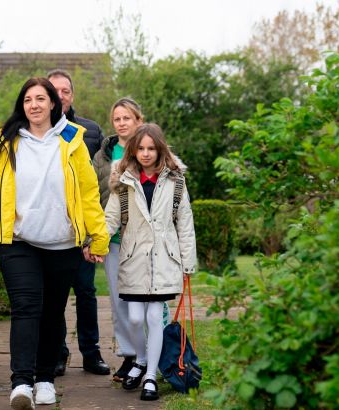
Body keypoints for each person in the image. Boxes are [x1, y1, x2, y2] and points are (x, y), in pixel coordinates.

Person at [0, 77, 109, 410]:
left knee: (52, 313)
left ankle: (45, 379)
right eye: (28, 99)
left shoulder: (73, 139)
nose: (34, 104)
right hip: (19, 243)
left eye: (41, 98)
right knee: (26, 309)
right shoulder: (8, 141)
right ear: (22, 105)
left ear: (53, 104)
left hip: (63, 245)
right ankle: (21, 383)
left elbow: (88, 194)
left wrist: (97, 237)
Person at [104, 123, 197, 401]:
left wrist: (188, 263)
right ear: (133, 150)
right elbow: (110, 217)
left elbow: (185, 222)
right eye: (141, 148)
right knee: (133, 318)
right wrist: (95, 242)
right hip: (133, 258)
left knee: (155, 317)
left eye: (151, 148)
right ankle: (142, 358)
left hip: (164, 259)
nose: (146, 154)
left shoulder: (175, 180)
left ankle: (150, 376)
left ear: (160, 149)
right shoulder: (123, 179)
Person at [46, 69, 109, 376]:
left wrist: (94, 232)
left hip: (81, 230)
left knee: (85, 292)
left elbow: (95, 182)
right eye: (54, 90)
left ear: (72, 95)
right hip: (49, 229)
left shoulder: (91, 130)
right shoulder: (34, 130)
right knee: (55, 297)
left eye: (66, 91)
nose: (61, 95)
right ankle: (58, 353)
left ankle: (91, 353)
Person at [92, 97, 145, 382]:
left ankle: (149, 354)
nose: (122, 123)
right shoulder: (103, 155)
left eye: (127, 118)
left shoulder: (148, 149)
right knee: (118, 299)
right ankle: (129, 355)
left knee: (145, 300)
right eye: (117, 118)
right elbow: (92, 194)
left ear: (138, 120)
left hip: (142, 239)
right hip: (111, 237)